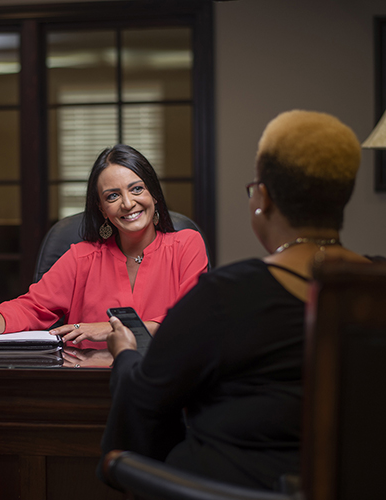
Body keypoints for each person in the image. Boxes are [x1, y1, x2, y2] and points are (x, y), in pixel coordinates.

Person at [100, 110, 372, 490]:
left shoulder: (226, 294)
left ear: (264, 198)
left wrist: (126, 353)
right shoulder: (374, 286)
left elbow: (147, 400)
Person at [0, 144, 209, 348]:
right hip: (86, 384)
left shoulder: (186, 244)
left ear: (153, 193)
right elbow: (32, 307)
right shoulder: (82, 257)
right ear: (102, 209)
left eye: (137, 189)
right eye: (113, 196)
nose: (128, 203)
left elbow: (190, 322)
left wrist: (108, 328)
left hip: (165, 383)